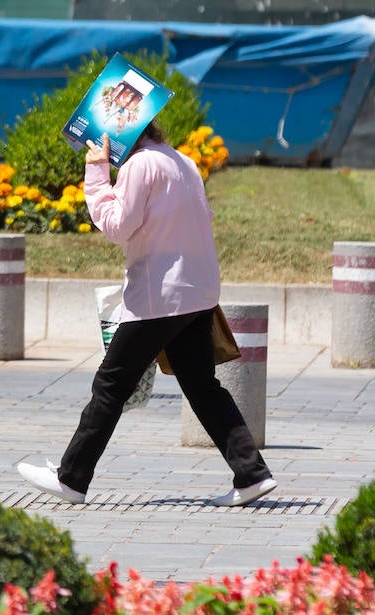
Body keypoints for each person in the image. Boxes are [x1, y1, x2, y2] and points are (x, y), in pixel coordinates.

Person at [17, 124, 277, 508]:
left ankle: (71, 478)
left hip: (158, 297)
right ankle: (252, 474)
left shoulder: (140, 165)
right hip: (196, 292)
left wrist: (96, 174)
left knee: (111, 386)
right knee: (203, 387)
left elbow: (117, 227)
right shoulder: (183, 161)